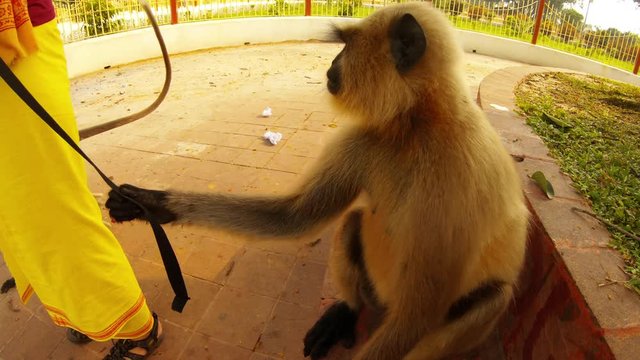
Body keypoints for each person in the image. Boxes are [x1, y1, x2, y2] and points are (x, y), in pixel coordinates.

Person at [0, 0, 163, 358]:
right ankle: (75, 305)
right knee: (16, 209)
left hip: (15, 42)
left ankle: (138, 327)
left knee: (53, 204)